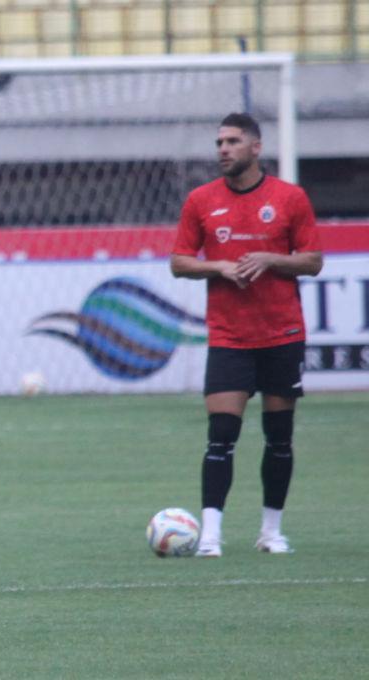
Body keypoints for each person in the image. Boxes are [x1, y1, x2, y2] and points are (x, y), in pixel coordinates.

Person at [170, 112, 323, 558]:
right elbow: (179, 261)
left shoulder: (289, 198)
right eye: (219, 142)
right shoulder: (201, 200)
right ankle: (211, 537)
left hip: (281, 333)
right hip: (229, 336)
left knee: (279, 437)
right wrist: (215, 266)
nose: (223, 149)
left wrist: (271, 259)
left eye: (233, 141)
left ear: (256, 147)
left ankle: (270, 533)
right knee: (221, 435)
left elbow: (313, 260)